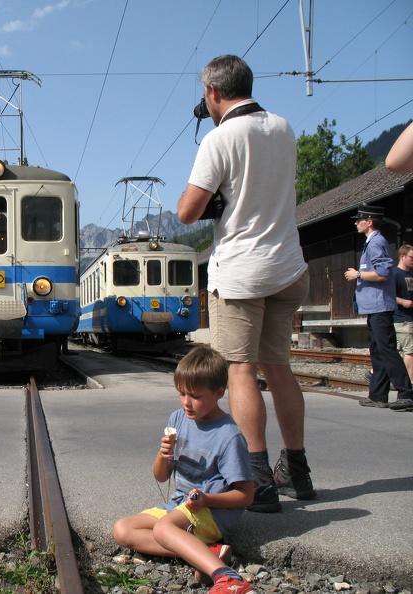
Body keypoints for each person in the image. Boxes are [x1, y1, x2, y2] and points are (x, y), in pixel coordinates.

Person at [177, 55, 314, 513]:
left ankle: (259, 481)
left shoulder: (220, 138)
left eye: (205, 95)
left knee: (240, 369)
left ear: (214, 92)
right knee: (278, 368)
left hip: (242, 272)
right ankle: (297, 470)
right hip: (288, 266)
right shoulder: (283, 127)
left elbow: (187, 212)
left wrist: (212, 197)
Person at [112, 346, 255, 594]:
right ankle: (206, 552)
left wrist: (207, 499)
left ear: (219, 393)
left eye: (196, 396)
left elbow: (246, 495)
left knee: (163, 529)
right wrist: (163, 454)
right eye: (181, 394)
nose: (187, 403)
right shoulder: (179, 418)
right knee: (122, 530)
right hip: (180, 505)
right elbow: (160, 476)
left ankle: (228, 577)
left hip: (212, 512)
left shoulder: (229, 436)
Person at [345, 205, 413, 411]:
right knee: (378, 350)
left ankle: (407, 393)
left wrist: (357, 274)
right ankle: (378, 395)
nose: (356, 223)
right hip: (373, 306)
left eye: (359, 219)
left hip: (379, 305)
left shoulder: (377, 243)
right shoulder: (371, 242)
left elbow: (383, 273)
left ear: (370, 221)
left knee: (387, 349)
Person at [392, 244, 413, 382]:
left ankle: (374, 371)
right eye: (411, 257)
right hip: (402, 318)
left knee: (396, 351)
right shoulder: (395, 274)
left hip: (409, 318)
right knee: (410, 351)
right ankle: (410, 382)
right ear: (402, 256)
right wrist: (402, 301)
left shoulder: (411, 274)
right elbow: (388, 295)